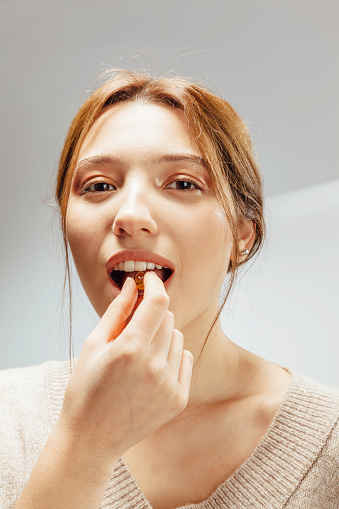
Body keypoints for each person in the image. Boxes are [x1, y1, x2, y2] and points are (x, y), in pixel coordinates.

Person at [1, 70, 338, 509]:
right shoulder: (7, 417)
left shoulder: (328, 444)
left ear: (243, 234)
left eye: (182, 183)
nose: (131, 215)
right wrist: (84, 445)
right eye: (99, 185)